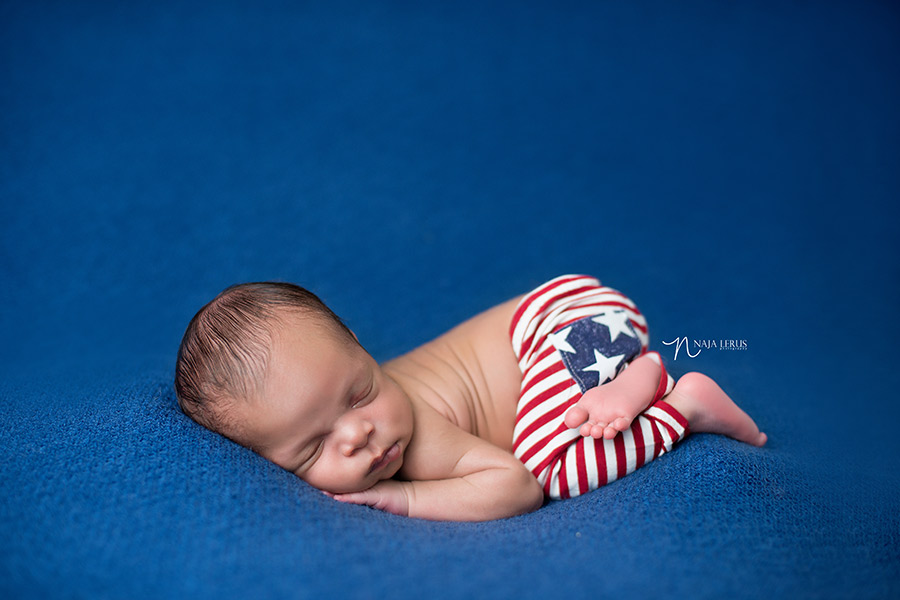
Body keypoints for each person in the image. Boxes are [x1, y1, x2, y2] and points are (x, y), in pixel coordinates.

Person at [174, 274, 767, 522]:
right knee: (562, 427)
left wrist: (403, 499)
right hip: (573, 319)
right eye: (310, 448)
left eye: (359, 394)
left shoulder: (414, 440)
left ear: (358, 347)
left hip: (570, 325)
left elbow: (517, 487)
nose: (359, 434)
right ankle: (630, 382)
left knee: (552, 464)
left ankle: (678, 402)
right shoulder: (371, 417)